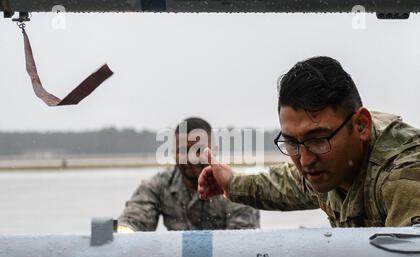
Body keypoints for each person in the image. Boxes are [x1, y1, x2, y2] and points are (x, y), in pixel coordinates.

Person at [198, 56, 420, 227]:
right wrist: (230, 183)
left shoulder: (403, 179)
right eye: (292, 142)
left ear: (361, 126)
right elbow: (286, 183)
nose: (305, 161)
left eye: (317, 139)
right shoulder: (329, 163)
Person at [118, 117, 260, 231]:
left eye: (200, 150)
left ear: (214, 151)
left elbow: (243, 240)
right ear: (174, 153)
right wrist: (121, 233)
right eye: (184, 151)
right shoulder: (159, 186)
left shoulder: (234, 186)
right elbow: (133, 222)